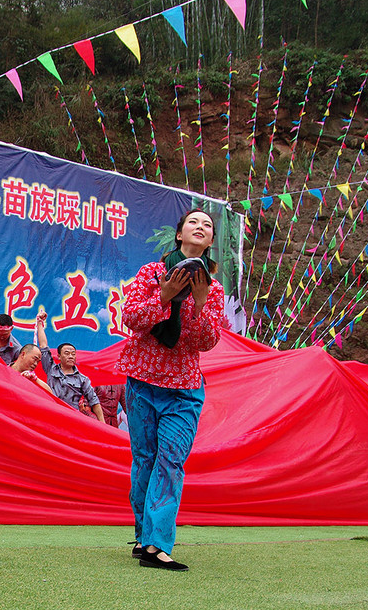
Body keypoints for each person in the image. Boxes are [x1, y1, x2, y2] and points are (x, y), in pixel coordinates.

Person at [114, 208, 225, 572]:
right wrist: (163, 296)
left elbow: (207, 342)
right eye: (193, 222)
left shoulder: (214, 287)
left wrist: (202, 302)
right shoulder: (151, 273)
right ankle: (143, 536)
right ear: (180, 235)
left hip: (184, 390)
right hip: (142, 382)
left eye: (207, 226)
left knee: (171, 461)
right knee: (144, 461)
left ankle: (157, 544)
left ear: (210, 241)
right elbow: (130, 318)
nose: (200, 228)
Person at [33, 309, 104, 423]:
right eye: (67, 353)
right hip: (50, 415)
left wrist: (103, 425)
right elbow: (43, 346)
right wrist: (40, 323)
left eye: (73, 354)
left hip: (71, 420)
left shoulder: (82, 380)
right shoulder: (51, 369)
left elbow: (94, 402)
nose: (71, 356)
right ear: (59, 357)